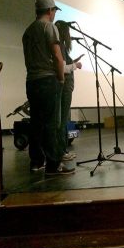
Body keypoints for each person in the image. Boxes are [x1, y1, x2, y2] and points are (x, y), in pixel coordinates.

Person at [23, 0, 70, 175]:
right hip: (47, 80)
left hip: (31, 81)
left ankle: (36, 162)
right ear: (50, 11)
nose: (54, 14)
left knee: (36, 123)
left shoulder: (28, 31)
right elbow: (58, 57)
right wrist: (61, 78)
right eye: (54, 11)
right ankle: (53, 165)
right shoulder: (49, 27)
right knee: (51, 124)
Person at [54, 20, 82, 162]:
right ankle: (61, 152)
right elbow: (63, 69)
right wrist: (76, 65)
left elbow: (65, 65)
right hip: (64, 88)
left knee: (63, 120)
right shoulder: (60, 45)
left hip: (65, 88)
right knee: (62, 120)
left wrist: (73, 62)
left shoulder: (61, 46)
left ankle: (62, 151)